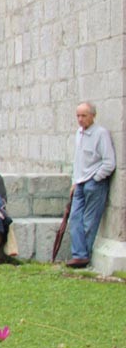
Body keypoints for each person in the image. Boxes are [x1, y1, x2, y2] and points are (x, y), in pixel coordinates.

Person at [67, 101, 116, 268]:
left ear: (93, 116)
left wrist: (96, 178)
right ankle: (79, 254)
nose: (80, 119)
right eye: (78, 116)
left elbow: (109, 162)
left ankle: (83, 256)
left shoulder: (101, 134)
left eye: (84, 116)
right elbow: (78, 160)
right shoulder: (79, 133)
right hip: (80, 182)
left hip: (94, 182)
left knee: (89, 221)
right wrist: (74, 181)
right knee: (75, 218)